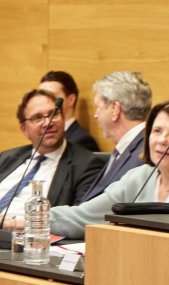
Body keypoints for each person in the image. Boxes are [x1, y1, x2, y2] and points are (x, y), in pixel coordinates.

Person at [43, 96, 169, 239]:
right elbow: (82, 216)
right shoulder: (139, 177)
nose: (162, 140)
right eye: (157, 131)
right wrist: (31, 217)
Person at [0, 89, 104, 224]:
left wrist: (11, 225)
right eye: (38, 117)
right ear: (24, 130)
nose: (48, 122)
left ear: (64, 119)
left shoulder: (86, 165)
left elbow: (80, 222)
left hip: (26, 233)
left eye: (53, 114)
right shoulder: (7, 157)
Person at [80, 71, 152, 202]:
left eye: (98, 107)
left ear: (115, 109)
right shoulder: (126, 150)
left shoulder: (144, 155)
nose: (95, 115)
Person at [40, 70, 100, 151]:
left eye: (52, 96)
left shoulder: (82, 141)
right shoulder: (41, 136)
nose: (44, 102)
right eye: (41, 96)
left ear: (71, 100)